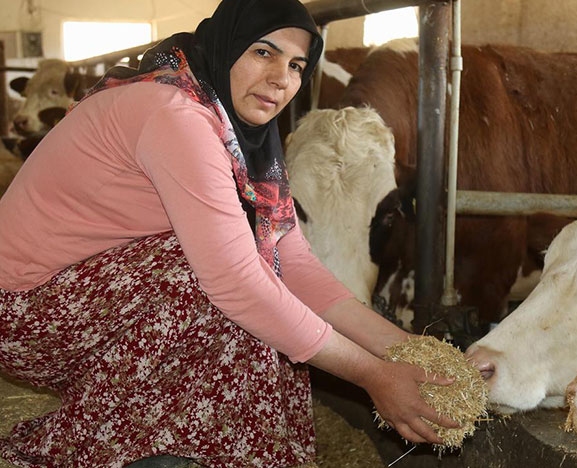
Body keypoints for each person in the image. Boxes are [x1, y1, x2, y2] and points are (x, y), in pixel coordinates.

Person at [0, 0, 458, 466]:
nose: (282, 78)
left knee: (256, 273)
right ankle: (126, 451)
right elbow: (237, 283)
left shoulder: (233, 127)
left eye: (297, 65)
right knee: (230, 282)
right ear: (226, 46)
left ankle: (164, 445)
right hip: (24, 311)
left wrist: (405, 350)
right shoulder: (174, 113)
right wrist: (373, 376)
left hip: (89, 296)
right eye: (264, 53)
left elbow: (293, 260)